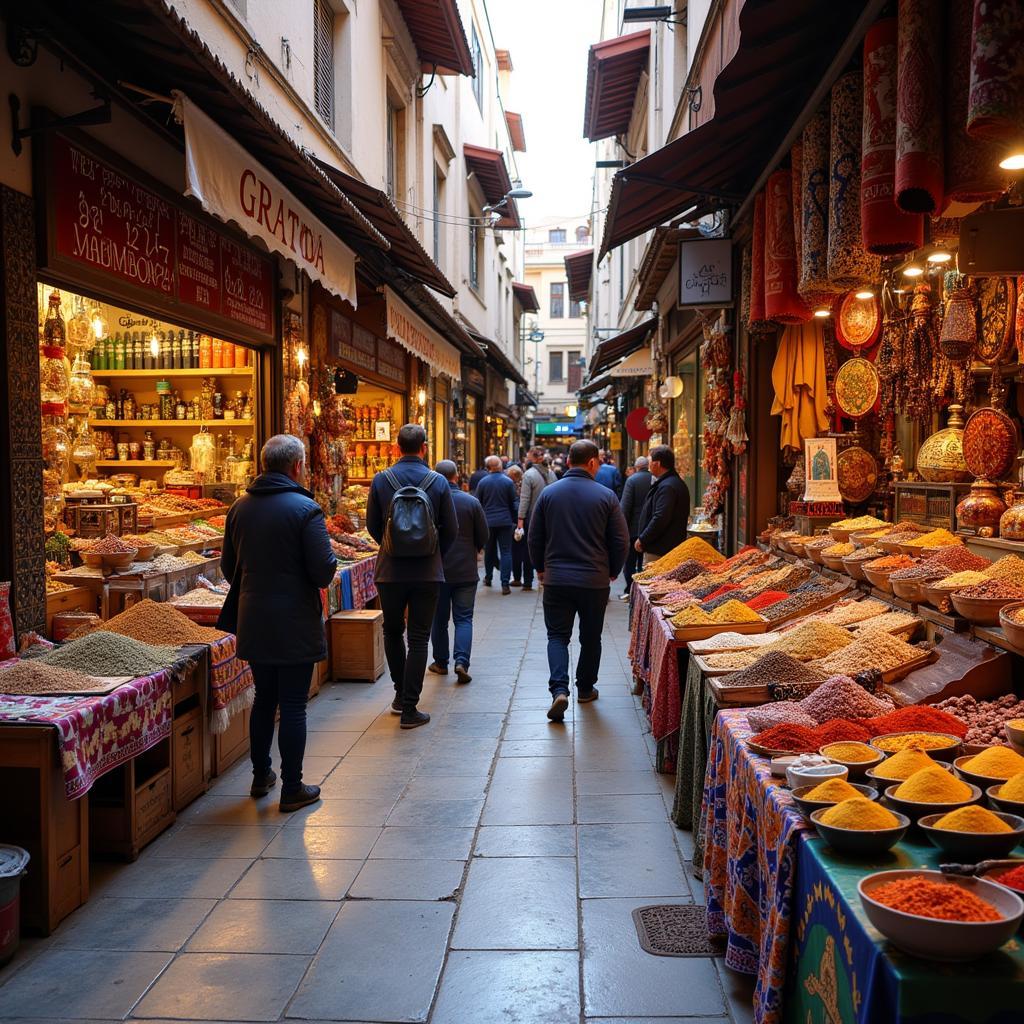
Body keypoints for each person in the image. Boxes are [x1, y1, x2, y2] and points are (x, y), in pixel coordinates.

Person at [219, 434, 337, 812]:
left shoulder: (239, 508)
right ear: (298, 466)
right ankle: (292, 787)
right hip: (294, 621)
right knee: (293, 704)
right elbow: (322, 571)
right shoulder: (306, 509)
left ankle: (260, 776)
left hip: (254, 617)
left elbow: (228, 567)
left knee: (264, 699)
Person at [528, 439, 629, 722]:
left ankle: (559, 690)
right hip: (594, 580)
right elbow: (621, 540)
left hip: (557, 579)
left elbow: (535, 537)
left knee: (557, 637)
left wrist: (539, 568)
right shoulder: (606, 496)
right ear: (593, 462)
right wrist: (613, 569)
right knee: (590, 637)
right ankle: (585, 688)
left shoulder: (549, 494)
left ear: (569, 461)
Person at [366, 423, 457, 729]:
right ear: (424, 448)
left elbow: (372, 525)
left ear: (396, 448)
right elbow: (451, 528)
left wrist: (391, 546)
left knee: (392, 631)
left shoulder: (381, 479)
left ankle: (397, 694)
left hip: (389, 571)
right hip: (427, 573)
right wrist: (432, 551)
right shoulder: (438, 481)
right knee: (418, 637)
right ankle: (410, 707)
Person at [428, 460, 488, 684]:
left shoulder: (431, 502)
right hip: (465, 570)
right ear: (456, 476)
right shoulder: (470, 502)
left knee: (439, 618)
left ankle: (441, 663)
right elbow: (484, 534)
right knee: (464, 619)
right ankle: (461, 661)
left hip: (437, 569)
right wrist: (475, 549)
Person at [636, 444, 691, 565]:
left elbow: (660, 517)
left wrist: (643, 538)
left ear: (658, 464)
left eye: (650, 461)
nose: (648, 465)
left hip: (660, 550)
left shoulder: (667, 486)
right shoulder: (670, 483)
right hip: (665, 547)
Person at [475, 455, 518, 594]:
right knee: (506, 551)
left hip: (488, 521)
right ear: (500, 466)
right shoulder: (508, 482)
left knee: (490, 551)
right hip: (505, 521)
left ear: (488, 467)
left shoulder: (482, 482)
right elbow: (513, 502)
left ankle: (488, 577)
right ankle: (505, 583)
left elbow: (478, 503)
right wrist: (515, 520)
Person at [515, 446, 554, 591]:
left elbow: (524, 499)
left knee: (528, 548)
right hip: (551, 517)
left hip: (533, 517)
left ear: (532, 457)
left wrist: (520, 520)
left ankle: (528, 581)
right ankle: (547, 578)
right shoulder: (551, 473)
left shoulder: (529, 475)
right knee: (548, 547)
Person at [619, 455, 653, 600]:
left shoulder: (632, 480)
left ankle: (630, 589)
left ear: (637, 467)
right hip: (650, 528)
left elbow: (625, 507)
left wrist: (621, 528)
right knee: (645, 561)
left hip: (633, 529)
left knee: (630, 562)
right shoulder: (654, 479)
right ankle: (644, 590)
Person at [506, 464, 527, 587]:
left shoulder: (511, 486)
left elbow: (514, 504)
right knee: (523, 550)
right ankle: (527, 579)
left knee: (516, 551)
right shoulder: (525, 483)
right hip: (524, 519)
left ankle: (518, 577)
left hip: (516, 521)